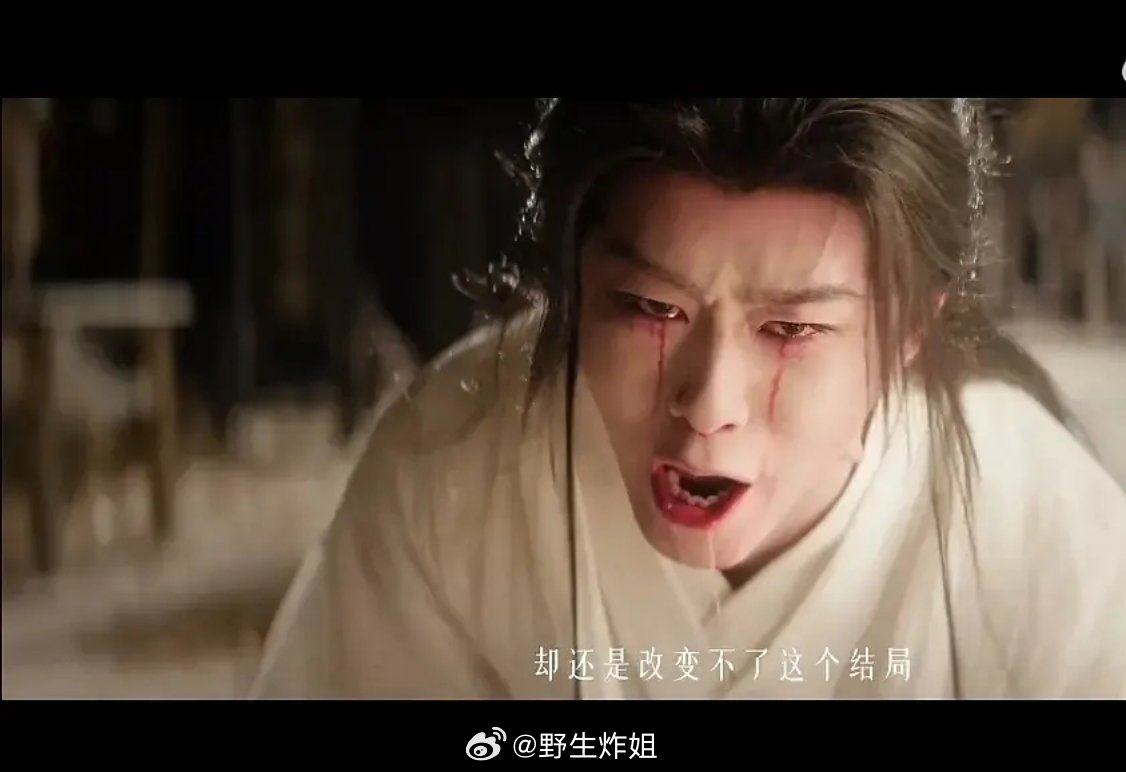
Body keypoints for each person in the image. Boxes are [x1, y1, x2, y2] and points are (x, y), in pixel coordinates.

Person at [250, 99, 1126, 699]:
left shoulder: (1037, 535)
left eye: (792, 329)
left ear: (910, 332)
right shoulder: (450, 471)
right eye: (649, 308)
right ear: (573, 281)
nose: (709, 406)